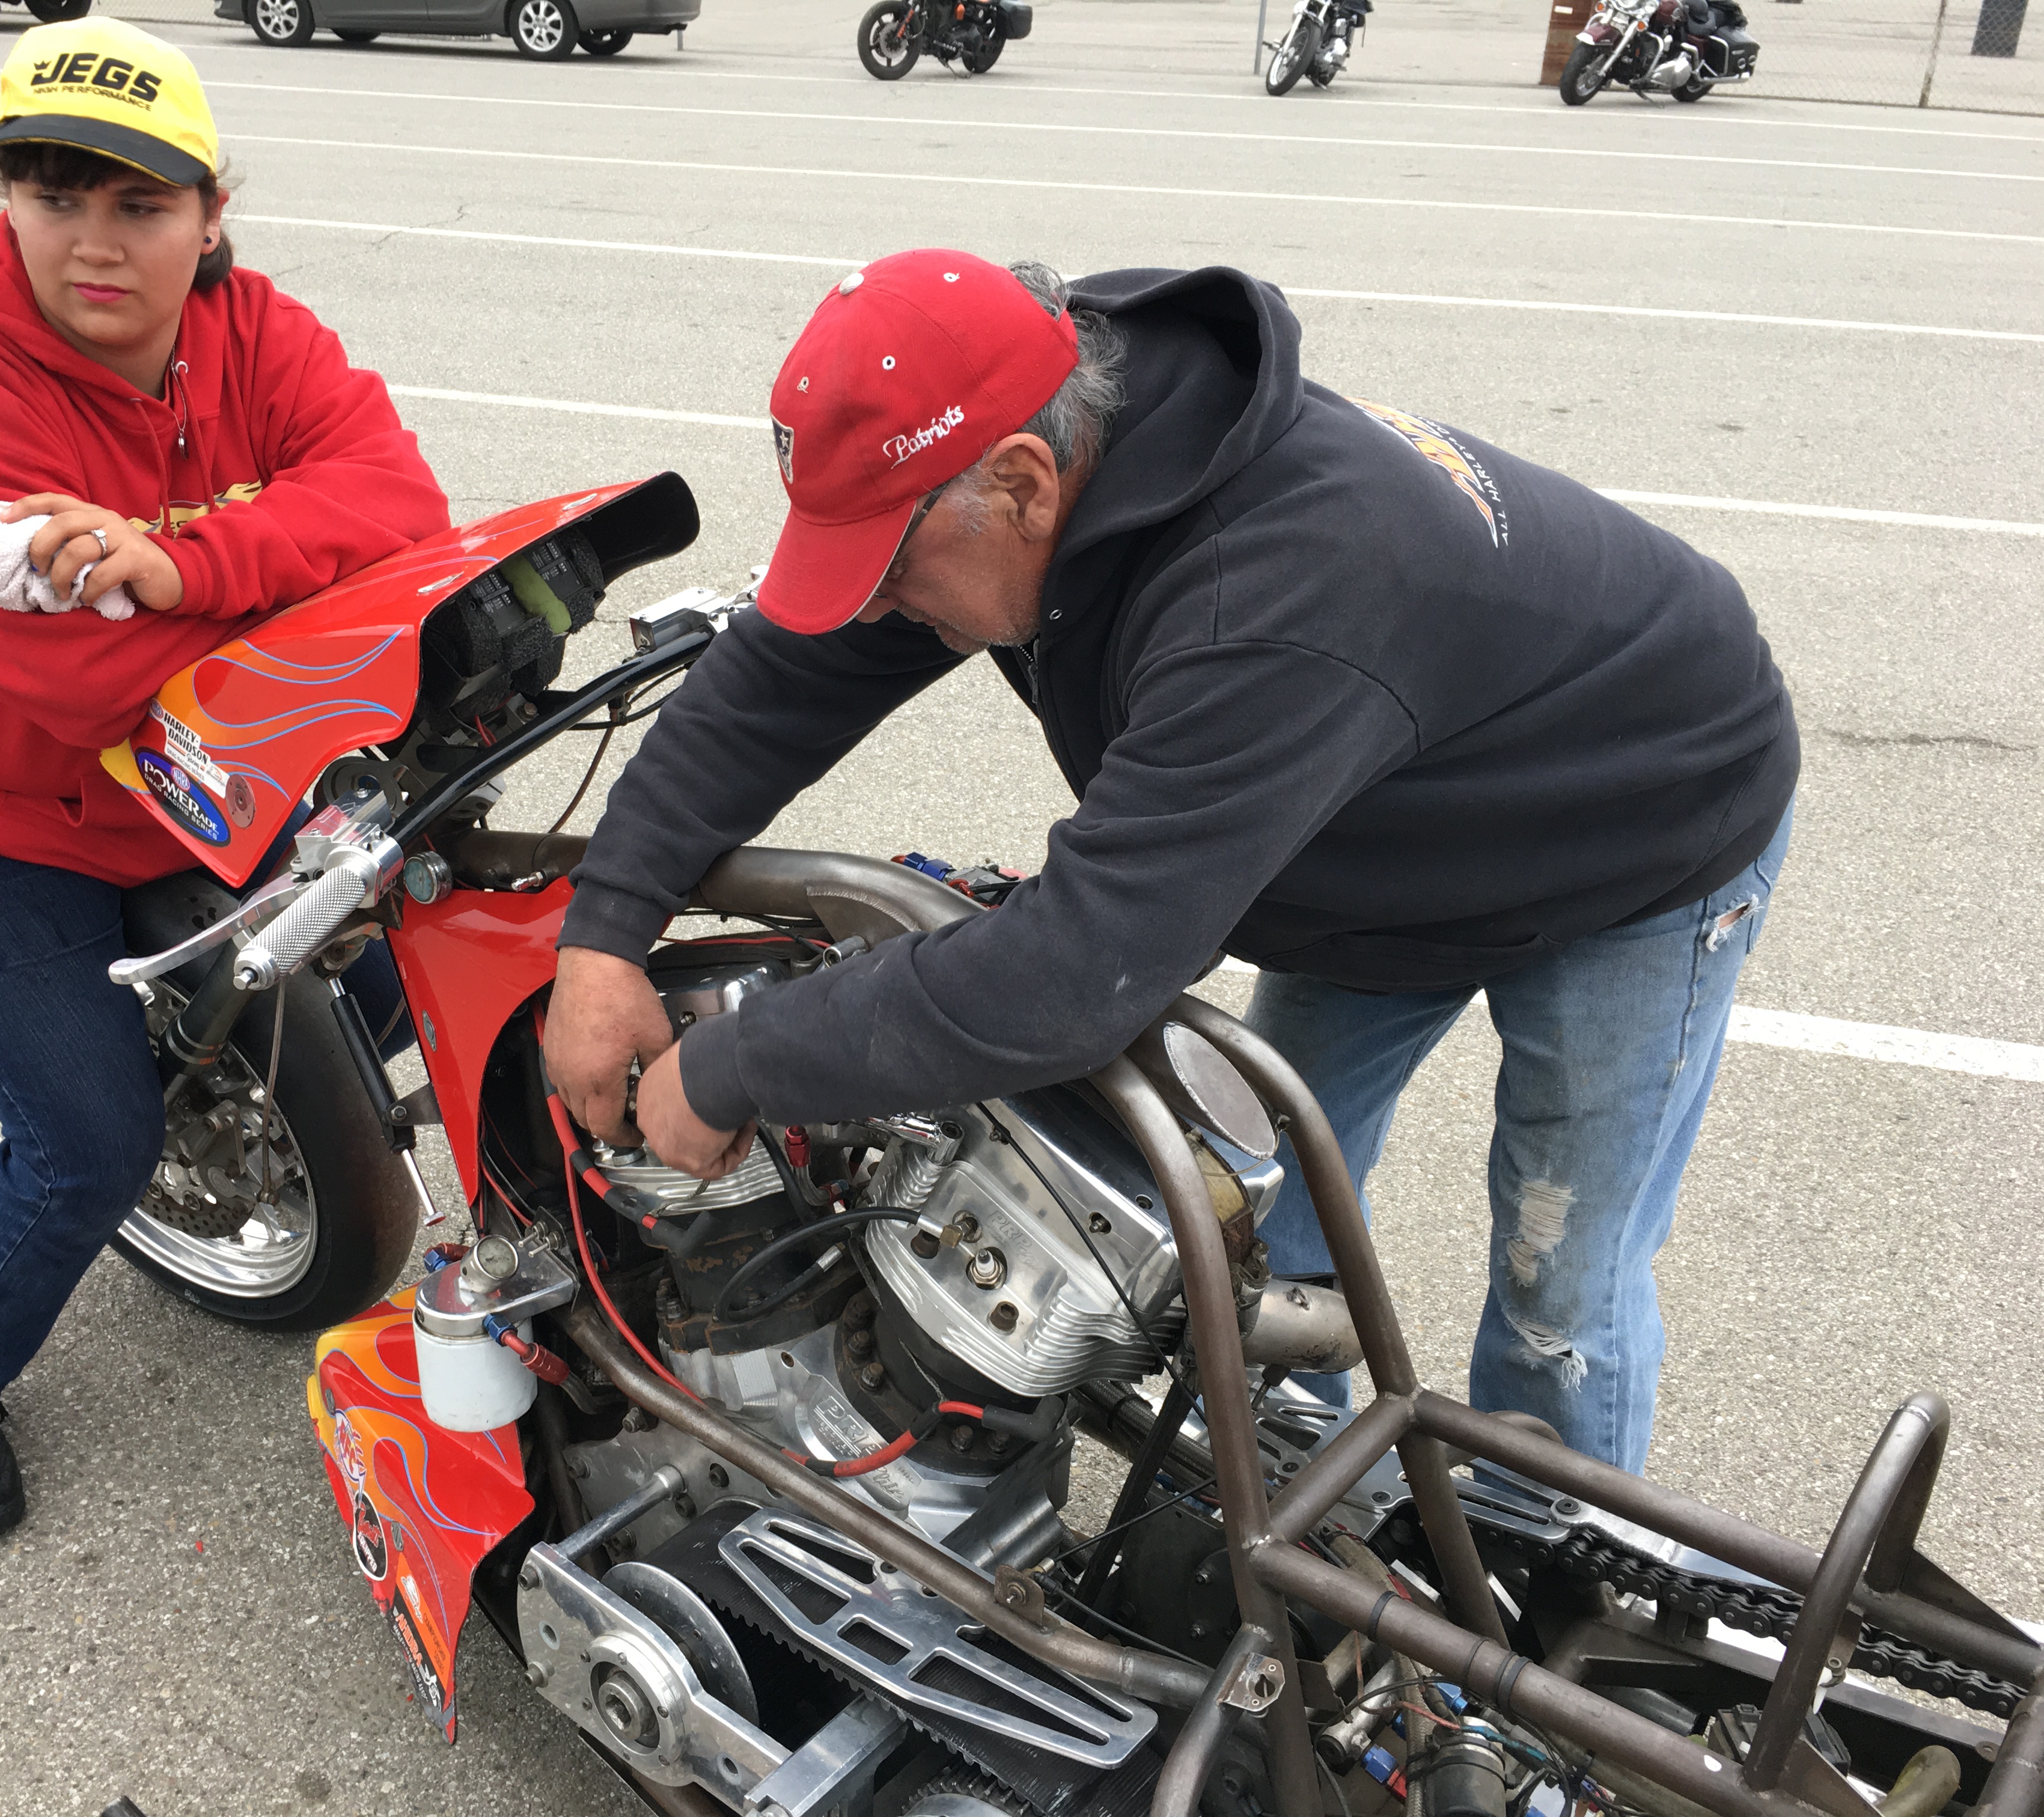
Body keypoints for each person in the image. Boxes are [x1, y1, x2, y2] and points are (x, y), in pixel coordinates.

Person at [543, 251, 1795, 1474]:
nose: (870, 610)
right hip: (1377, 814)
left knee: (1557, 1287)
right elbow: (788, 669)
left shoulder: (1269, 602)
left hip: (1638, 827)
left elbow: (1076, 973)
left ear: (1028, 486)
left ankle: (1541, 1615)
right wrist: (606, 931)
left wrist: (740, 1063)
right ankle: (1315, 1522)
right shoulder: (1033, 406)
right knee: (1271, 1220)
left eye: (886, 572)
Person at [0, 17, 451, 1542]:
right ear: (5, 199)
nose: (93, 242)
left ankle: (192, 1094)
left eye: (140, 205)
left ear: (212, 213)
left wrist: (182, 558)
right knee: (88, 1143)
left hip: (170, 785)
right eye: (52, 192)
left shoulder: (258, 331)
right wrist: (279, 596)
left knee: (395, 915)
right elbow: (83, 678)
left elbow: (398, 505)